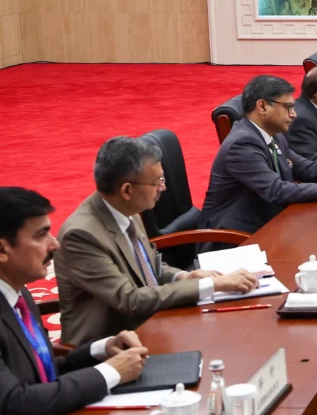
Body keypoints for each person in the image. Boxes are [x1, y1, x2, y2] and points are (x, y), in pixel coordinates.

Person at [55, 139, 258, 346]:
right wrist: (210, 285)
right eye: (157, 181)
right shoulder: (81, 235)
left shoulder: (124, 208)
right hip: (112, 346)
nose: (163, 187)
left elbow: (148, 266)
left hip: (152, 322)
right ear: (126, 190)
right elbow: (130, 300)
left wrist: (183, 276)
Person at [0, 187, 149, 415]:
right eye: (40, 236)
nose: (55, 244)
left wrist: (101, 350)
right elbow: (12, 405)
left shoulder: (18, 293)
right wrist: (109, 373)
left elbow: (41, 371)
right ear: (2, 250)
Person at [203, 76, 317, 233]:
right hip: (238, 236)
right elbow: (277, 191)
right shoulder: (242, 144)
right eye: (288, 107)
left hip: (274, 222)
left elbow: (304, 166)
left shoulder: (273, 134)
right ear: (262, 107)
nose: (294, 114)